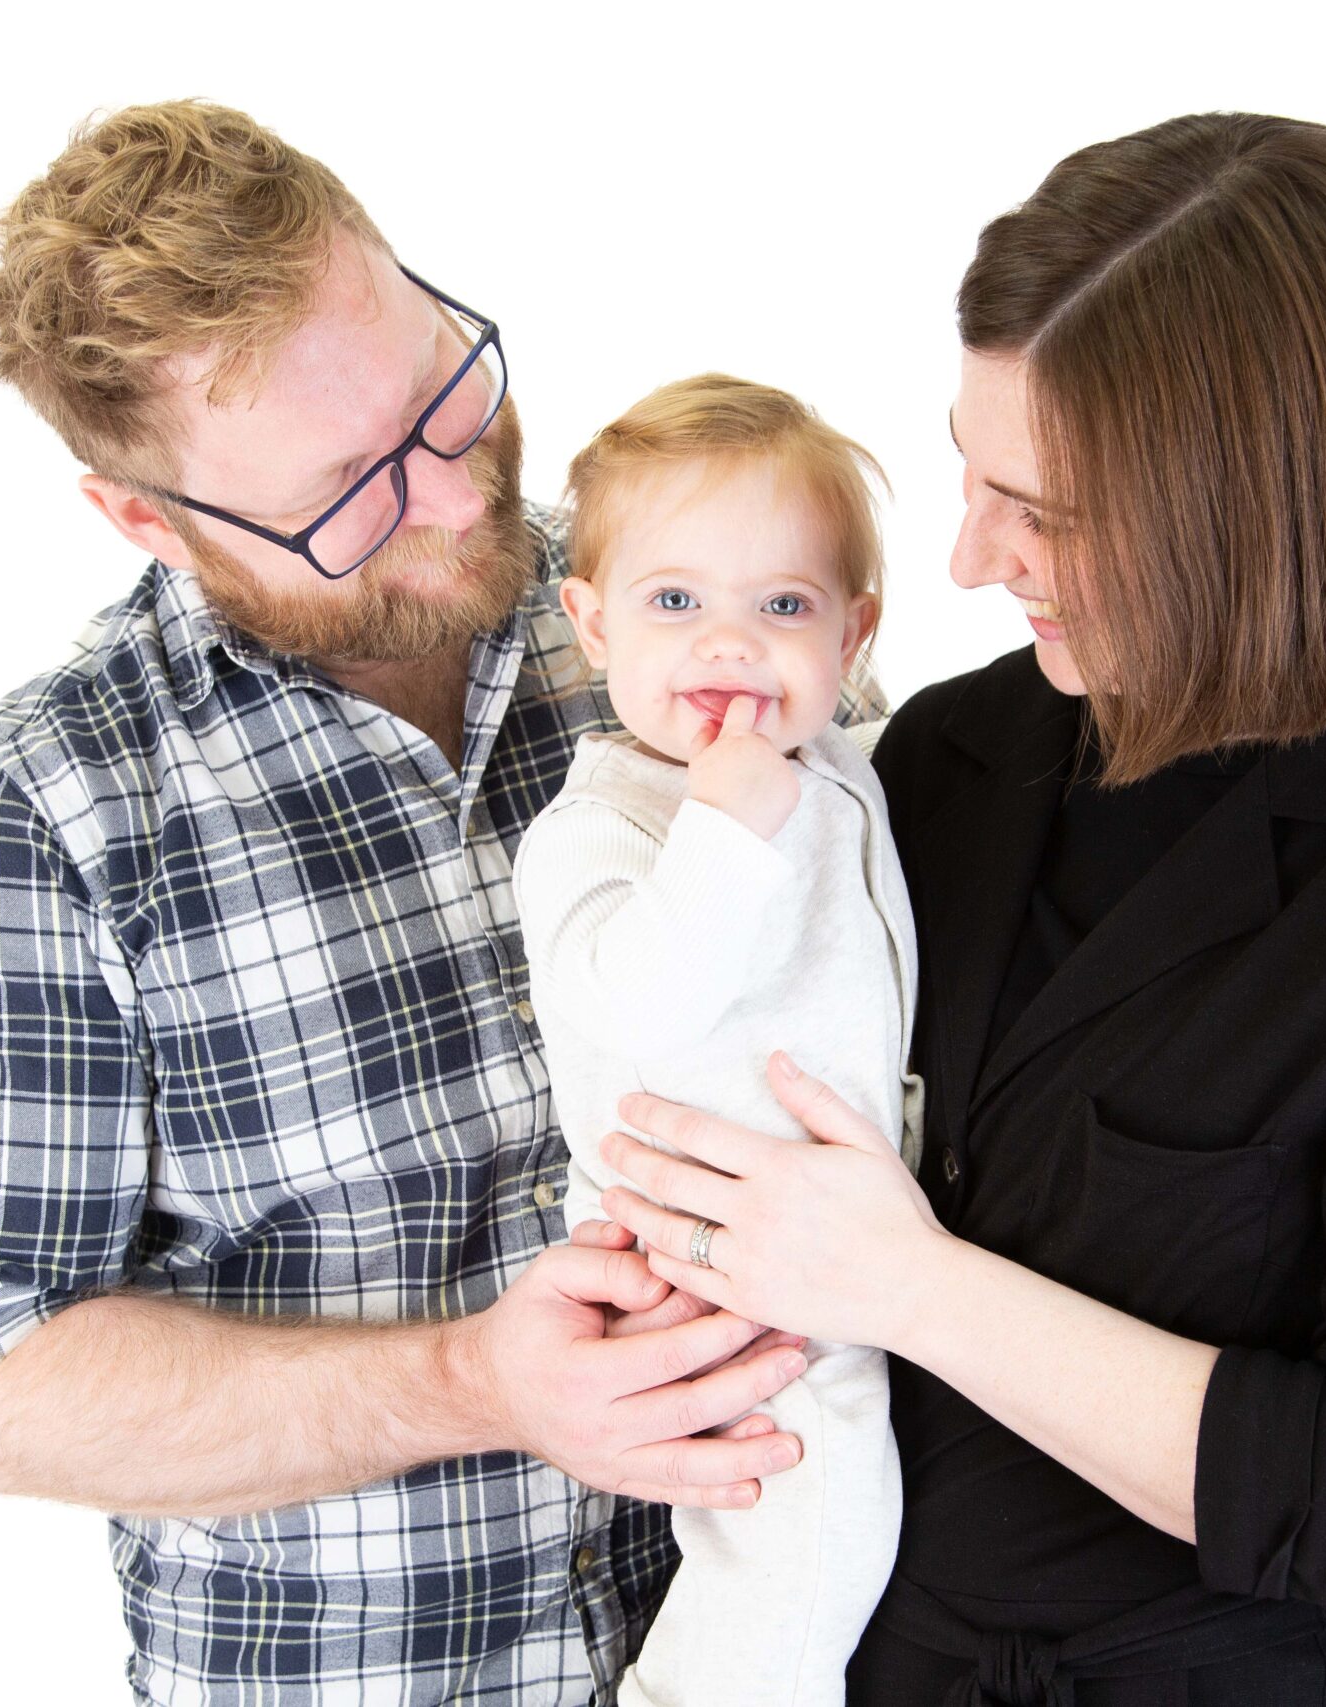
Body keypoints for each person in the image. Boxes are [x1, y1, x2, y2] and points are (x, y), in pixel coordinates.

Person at [593, 113, 1326, 1705]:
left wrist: (910, 1284)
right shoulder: (955, 752)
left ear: (1263, 509)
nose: (968, 557)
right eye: (970, 472)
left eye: (1049, 511)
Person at [0, 101, 884, 1705]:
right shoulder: (47, 808)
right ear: (147, 518)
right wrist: (473, 1382)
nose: (459, 498)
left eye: (445, 396)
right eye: (351, 488)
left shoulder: (688, 612)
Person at [516, 375, 922, 1707]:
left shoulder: (844, 772)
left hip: (833, 1248)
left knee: (825, 1538)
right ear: (589, 622)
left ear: (854, 632)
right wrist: (725, 828)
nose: (731, 647)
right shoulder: (606, 825)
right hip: (713, 1272)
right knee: (806, 1537)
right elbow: (636, 999)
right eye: (676, 601)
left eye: (785, 606)